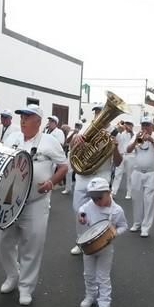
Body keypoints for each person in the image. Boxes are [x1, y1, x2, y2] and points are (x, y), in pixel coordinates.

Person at [0, 104, 68, 305]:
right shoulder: (11, 138)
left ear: (38, 121)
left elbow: (64, 166)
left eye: (27, 117)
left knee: (32, 245)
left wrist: (51, 182)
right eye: (21, 117)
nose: (22, 120)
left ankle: (26, 287)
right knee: (3, 241)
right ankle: (12, 275)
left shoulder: (50, 141)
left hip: (36, 201)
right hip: (9, 200)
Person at [69, 104, 122, 255]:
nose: (100, 116)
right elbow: (73, 150)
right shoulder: (86, 127)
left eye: (103, 113)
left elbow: (118, 162)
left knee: (99, 211)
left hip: (101, 175)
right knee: (78, 210)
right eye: (98, 112)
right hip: (83, 175)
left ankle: (98, 242)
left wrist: (115, 147)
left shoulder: (114, 132)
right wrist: (75, 142)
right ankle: (81, 241)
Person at [77, 177, 127, 307]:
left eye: (99, 197)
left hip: (105, 248)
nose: (96, 201)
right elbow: (82, 209)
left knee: (103, 277)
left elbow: (124, 226)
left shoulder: (117, 210)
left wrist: (114, 233)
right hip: (89, 246)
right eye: (93, 198)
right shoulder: (90, 205)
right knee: (88, 274)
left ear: (109, 192)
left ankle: (104, 305)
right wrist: (82, 216)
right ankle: (90, 295)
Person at [126, 118, 154, 238]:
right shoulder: (137, 136)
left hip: (151, 173)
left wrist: (152, 140)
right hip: (137, 172)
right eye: (143, 125)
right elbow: (128, 150)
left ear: (152, 126)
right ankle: (137, 223)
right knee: (136, 199)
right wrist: (136, 140)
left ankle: (145, 227)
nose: (145, 128)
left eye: (147, 125)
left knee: (149, 200)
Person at [111, 121, 135, 199]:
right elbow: (113, 135)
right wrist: (118, 128)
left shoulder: (134, 134)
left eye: (129, 124)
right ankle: (113, 192)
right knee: (117, 174)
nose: (127, 126)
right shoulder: (121, 133)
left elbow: (135, 139)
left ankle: (129, 192)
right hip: (121, 155)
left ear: (132, 126)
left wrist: (130, 131)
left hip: (130, 155)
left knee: (130, 175)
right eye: (126, 124)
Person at [61, 122, 82, 195]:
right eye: (76, 125)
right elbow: (67, 142)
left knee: (79, 173)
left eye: (78, 126)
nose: (77, 127)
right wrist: (74, 134)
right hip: (71, 153)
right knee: (68, 172)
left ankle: (79, 189)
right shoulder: (73, 133)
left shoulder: (83, 134)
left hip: (79, 154)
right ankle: (68, 188)